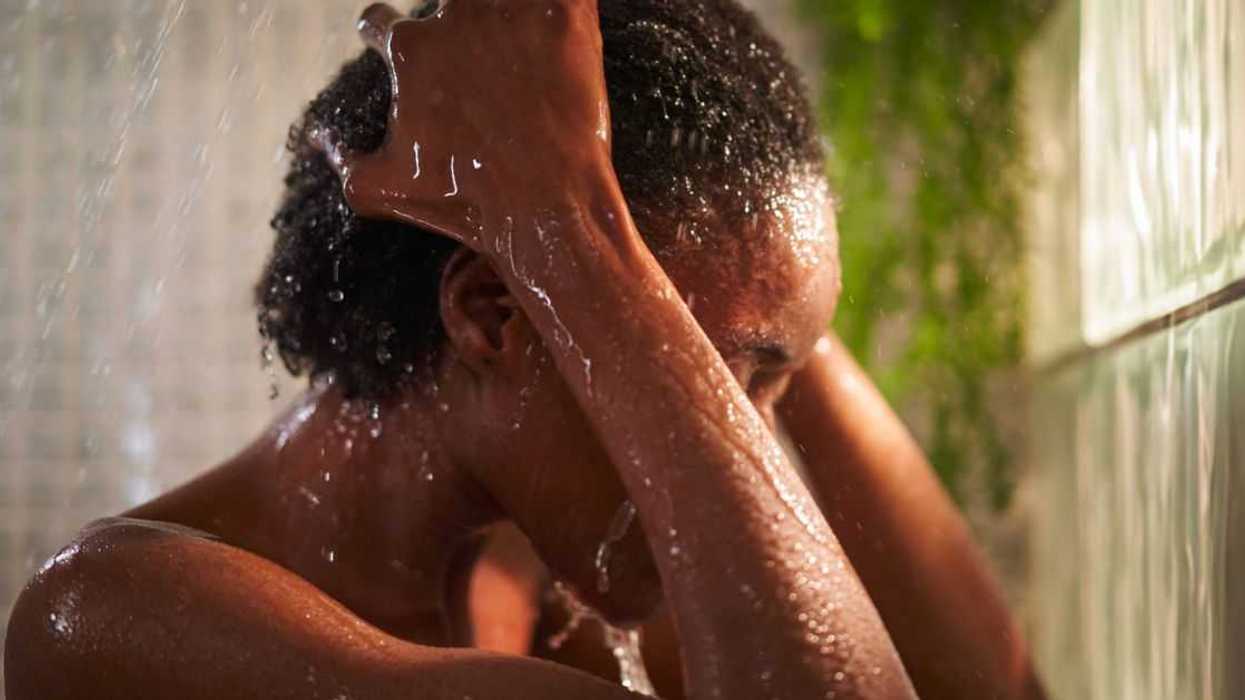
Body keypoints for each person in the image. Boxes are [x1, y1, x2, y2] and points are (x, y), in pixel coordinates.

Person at [5, 1, 1044, 698]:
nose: (749, 444)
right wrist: (571, 228)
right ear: (494, 311)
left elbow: (986, 692)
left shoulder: (551, 583)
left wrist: (767, 311)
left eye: (766, 389)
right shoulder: (114, 617)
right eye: (724, 374)